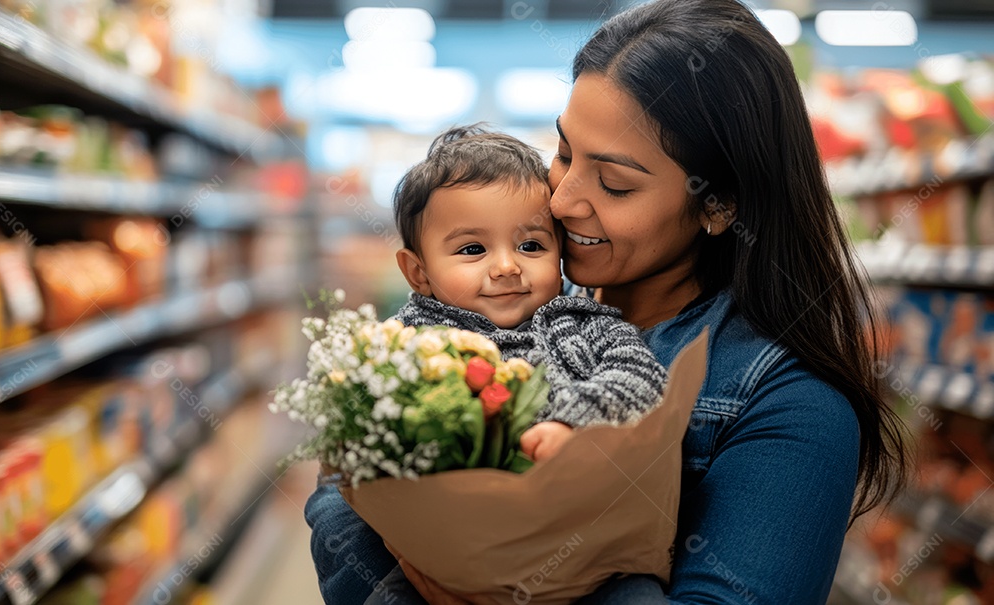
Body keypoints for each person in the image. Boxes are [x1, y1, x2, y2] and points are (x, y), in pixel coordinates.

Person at [306, 0, 909, 603]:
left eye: (615, 183)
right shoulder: (518, 302)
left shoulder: (793, 404)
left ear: (719, 204)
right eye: (564, 152)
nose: (562, 200)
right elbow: (338, 499)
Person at [391, 125, 668, 461]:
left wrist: (569, 424)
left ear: (561, 253)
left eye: (530, 246)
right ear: (418, 273)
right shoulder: (407, 342)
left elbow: (643, 382)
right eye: (473, 249)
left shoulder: (588, 327)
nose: (507, 267)